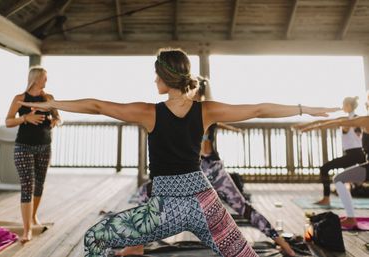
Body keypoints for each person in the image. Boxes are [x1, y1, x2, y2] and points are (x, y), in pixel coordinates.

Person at [20, 48, 338, 257]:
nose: (154, 78)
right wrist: (303, 108)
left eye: (156, 73)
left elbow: (97, 106)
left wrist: (50, 104)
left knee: (95, 238)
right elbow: (257, 108)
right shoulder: (206, 110)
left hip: (165, 208)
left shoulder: (149, 112)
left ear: (164, 76)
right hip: (205, 202)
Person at [119, 76, 296, 256]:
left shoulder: (203, 111)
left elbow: (251, 111)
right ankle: (136, 245)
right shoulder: (194, 112)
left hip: (205, 169)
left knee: (242, 206)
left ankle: (284, 245)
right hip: (201, 170)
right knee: (144, 195)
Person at [5, 66, 61, 243]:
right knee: (27, 186)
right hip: (24, 147)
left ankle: (33, 216)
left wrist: (54, 122)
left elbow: (59, 117)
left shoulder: (49, 98)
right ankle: (27, 230)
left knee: (39, 185)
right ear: (36, 79)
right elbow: (8, 121)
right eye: (45, 77)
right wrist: (25, 118)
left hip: (45, 147)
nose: (46, 81)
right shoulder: (20, 99)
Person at [296, 104, 369, 228]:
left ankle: (351, 218)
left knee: (338, 179)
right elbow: (336, 121)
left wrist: (311, 128)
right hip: (365, 163)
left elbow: (338, 122)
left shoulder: (365, 119)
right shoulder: (362, 119)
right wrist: (310, 126)